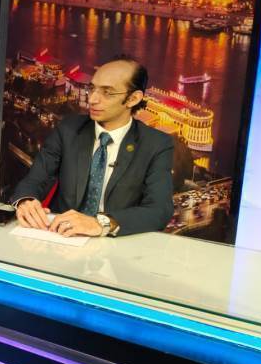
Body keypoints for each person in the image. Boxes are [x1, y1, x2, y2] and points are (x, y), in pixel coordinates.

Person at [10, 55, 174, 237]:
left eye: (107, 92)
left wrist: (101, 223)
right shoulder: (69, 129)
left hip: (114, 245)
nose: (93, 99)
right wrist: (25, 201)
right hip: (61, 236)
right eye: (92, 88)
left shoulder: (156, 144)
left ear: (133, 99)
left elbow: (159, 210)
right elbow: (35, 179)